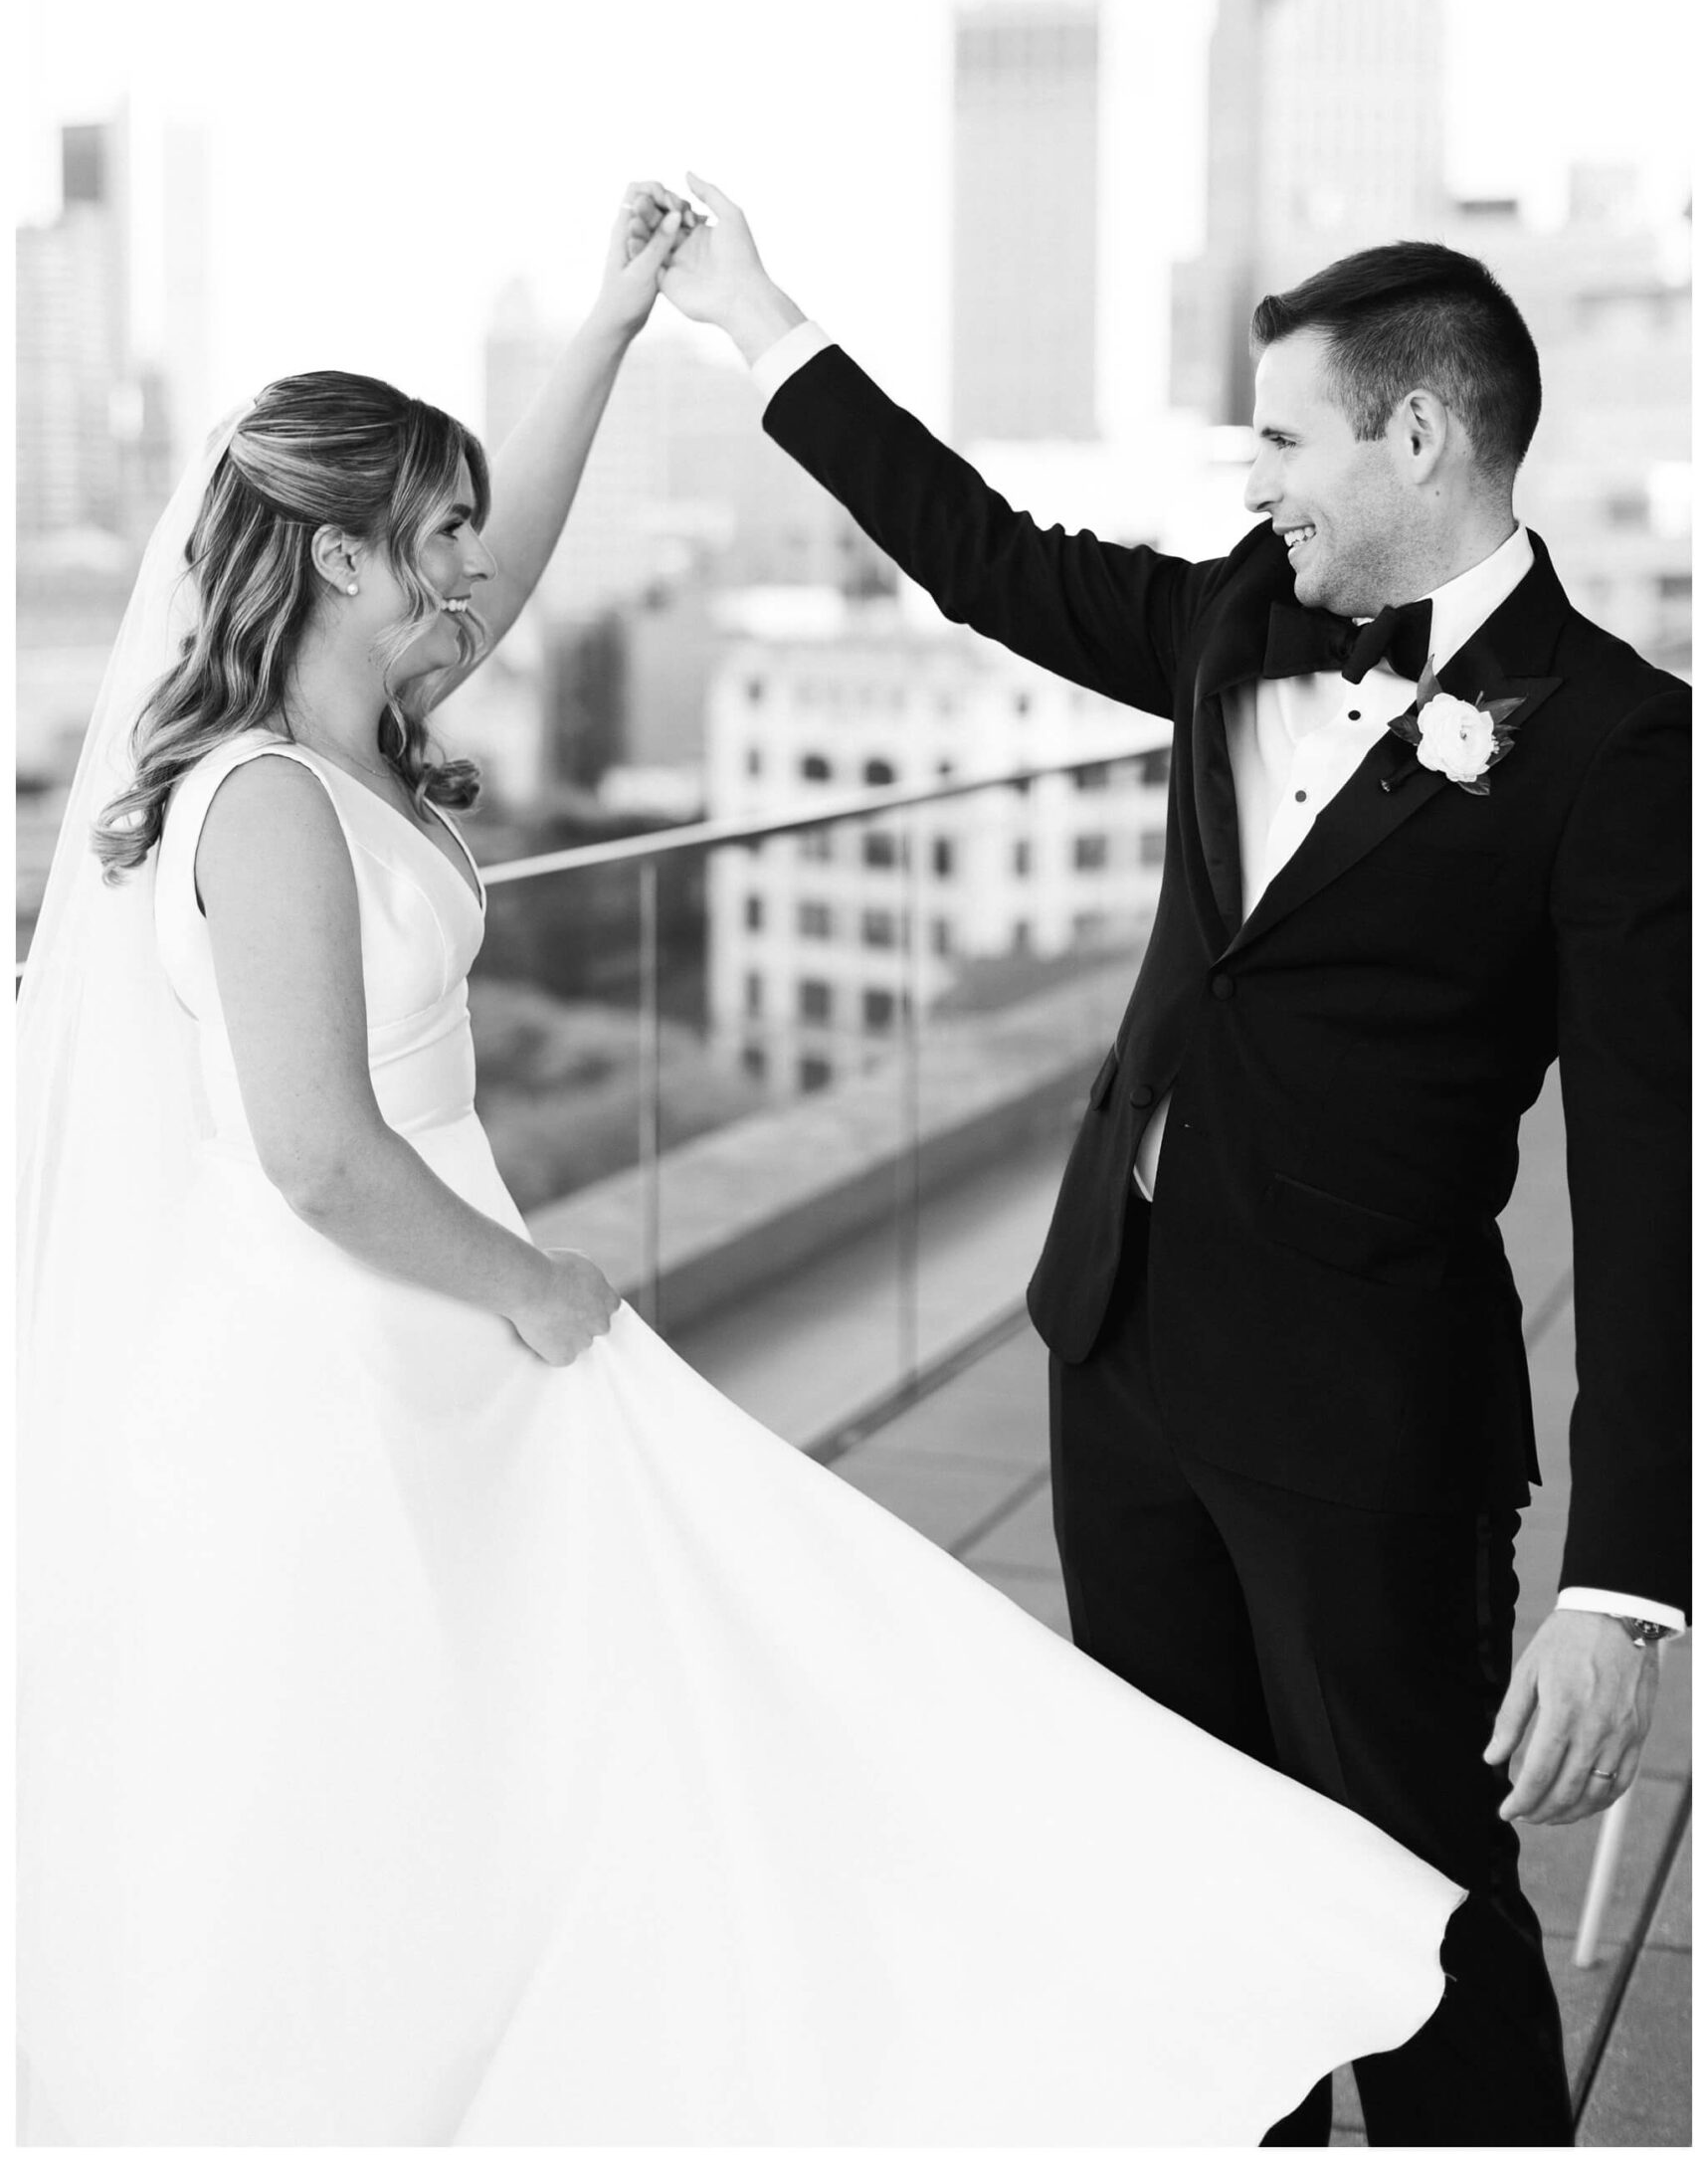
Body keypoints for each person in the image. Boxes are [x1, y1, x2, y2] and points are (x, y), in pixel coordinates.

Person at [15, 186, 1462, 2146]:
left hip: (445, 1324)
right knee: (379, 1794)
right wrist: (537, 1285)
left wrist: (620, 320)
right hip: (348, 1361)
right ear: (337, 554)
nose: (472, 567)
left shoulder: (368, 713)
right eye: (430, 532)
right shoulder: (263, 798)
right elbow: (319, 1154)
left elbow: (511, 570)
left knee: (553, 1742)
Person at [658, 184, 1690, 2147]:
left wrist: (1625, 1585)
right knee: (1181, 1884)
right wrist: (761, 317)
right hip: (1115, 1355)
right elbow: (982, 557)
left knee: (1418, 1908)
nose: (1256, 474)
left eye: (1283, 435)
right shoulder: (1236, 608)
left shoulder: (1622, 747)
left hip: (1366, 1423)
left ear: (1417, 434)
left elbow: (1652, 1186)